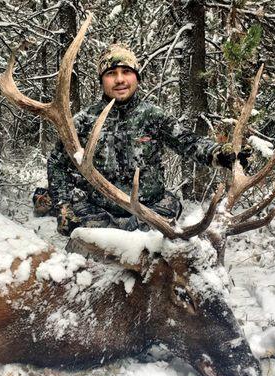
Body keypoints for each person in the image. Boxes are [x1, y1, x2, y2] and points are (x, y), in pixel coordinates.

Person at [35, 43, 250, 235]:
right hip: (98, 212)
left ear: (136, 77)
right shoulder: (82, 122)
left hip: (150, 210)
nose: (120, 79)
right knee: (88, 240)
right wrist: (63, 204)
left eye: (126, 71)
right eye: (111, 73)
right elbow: (57, 163)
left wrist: (218, 153)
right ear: (102, 80)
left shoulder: (153, 116)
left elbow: (188, 142)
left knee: (163, 234)